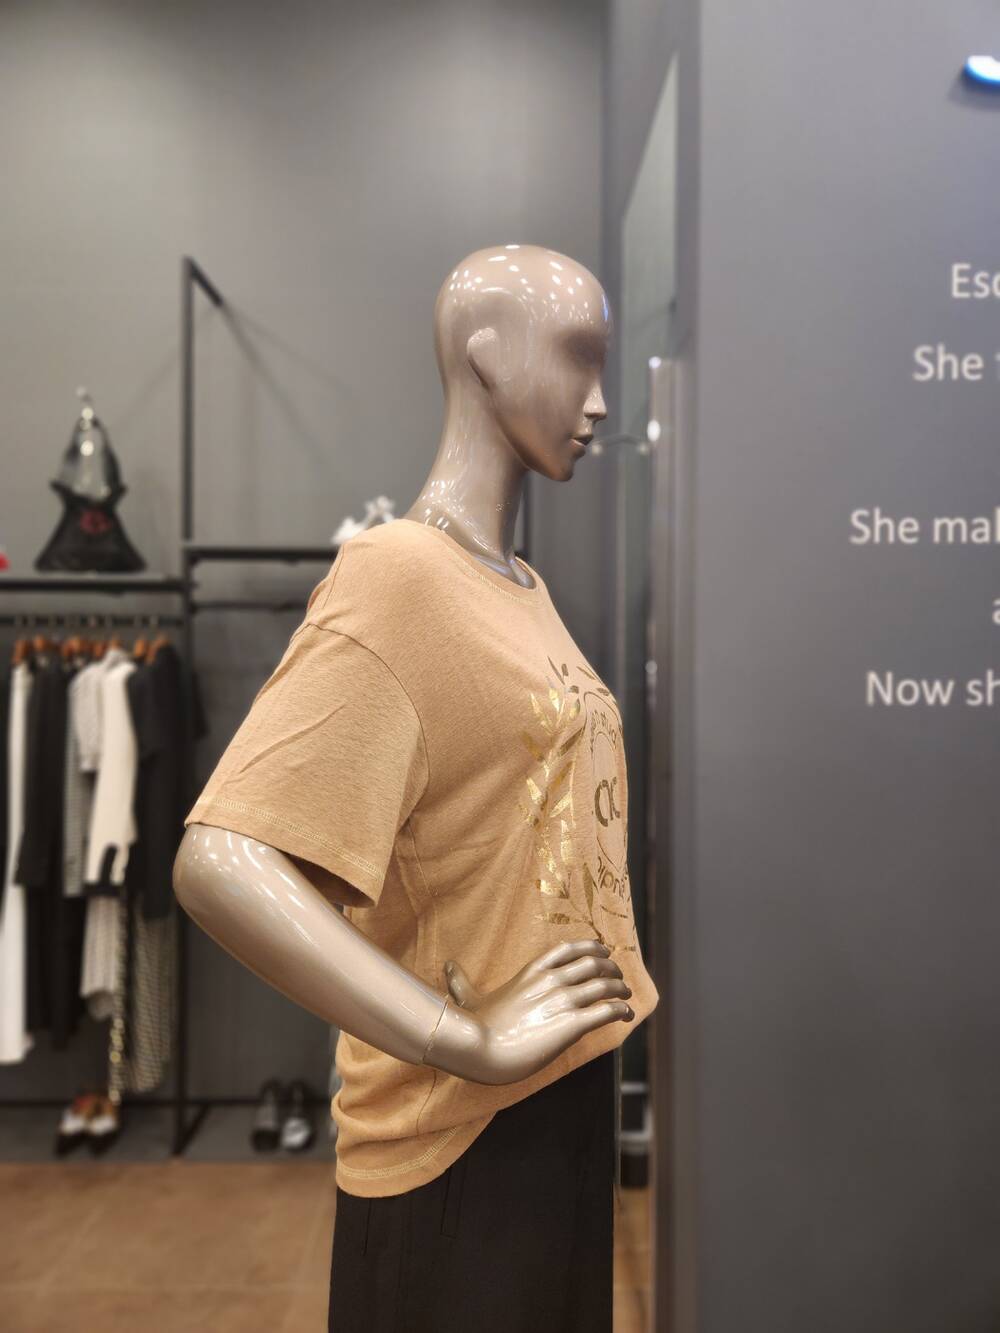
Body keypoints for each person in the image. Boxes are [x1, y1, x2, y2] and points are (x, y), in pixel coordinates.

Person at [173, 243, 658, 1332]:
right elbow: (220, 858)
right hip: (459, 1140)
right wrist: (458, 1035)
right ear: (485, 356)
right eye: (577, 357)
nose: (598, 401)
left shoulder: (519, 586)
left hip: (562, 1094)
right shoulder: (398, 575)